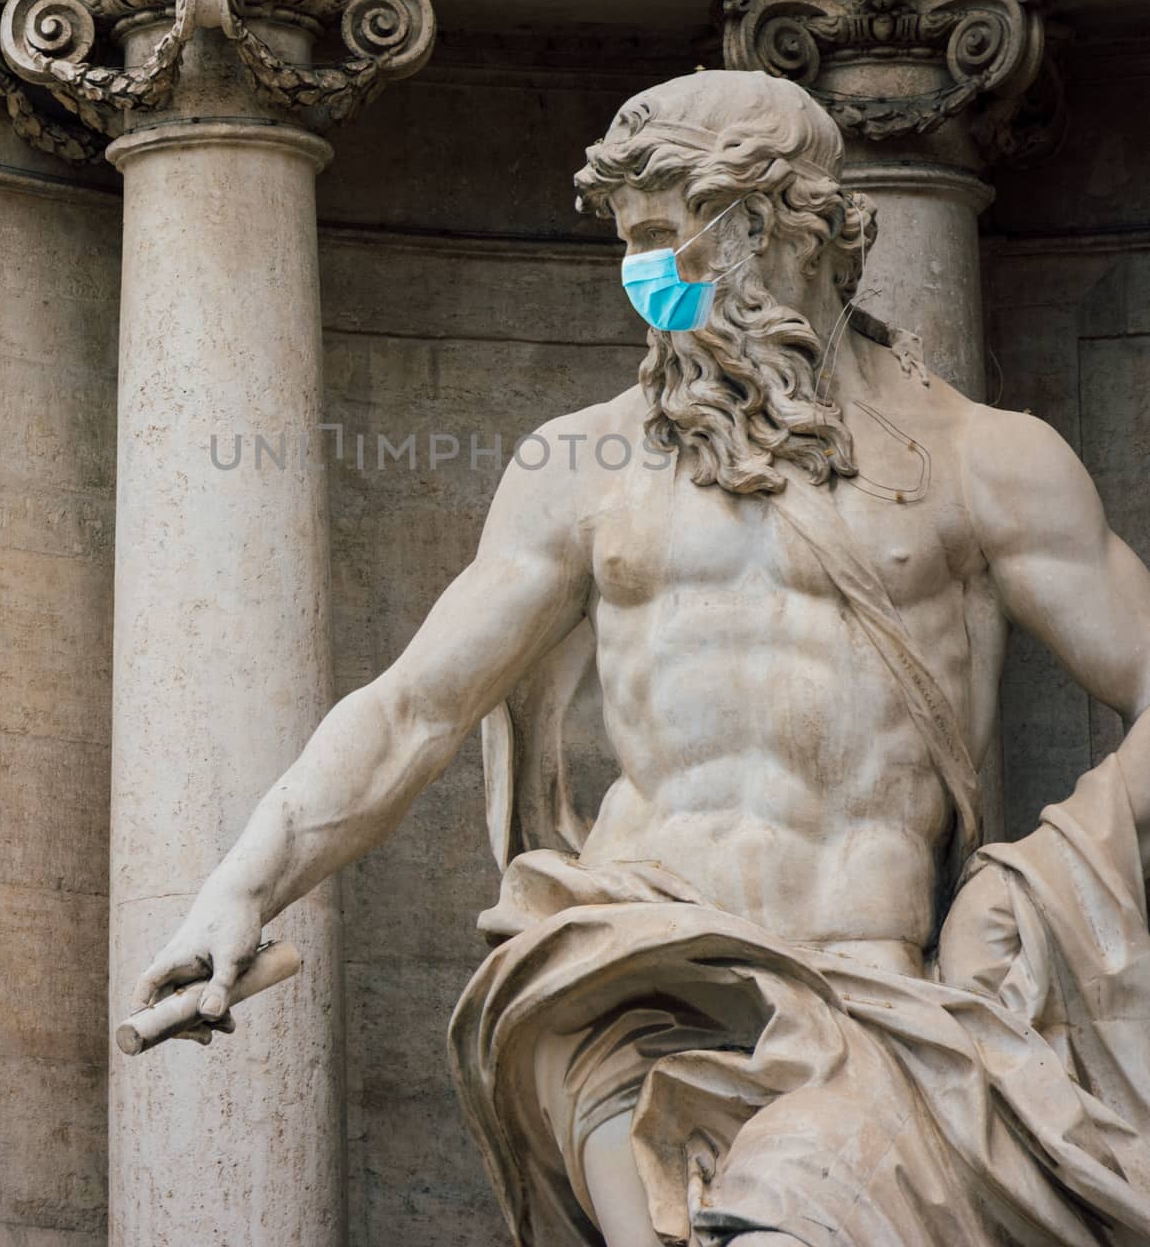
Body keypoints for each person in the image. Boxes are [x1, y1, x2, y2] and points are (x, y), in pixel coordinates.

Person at [132, 70, 1150, 1245]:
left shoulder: (985, 462)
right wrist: (240, 888)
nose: (639, 279)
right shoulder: (580, 464)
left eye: (663, 239)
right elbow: (413, 706)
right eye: (627, 245)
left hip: (864, 992)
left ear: (767, 228)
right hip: (622, 975)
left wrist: (1034, 897)